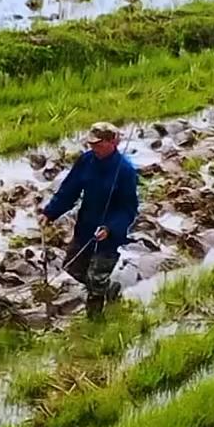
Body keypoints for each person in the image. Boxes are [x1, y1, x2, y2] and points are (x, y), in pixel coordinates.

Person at [38, 122, 139, 319]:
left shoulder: (125, 172)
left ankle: (94, 324)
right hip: (85, 228)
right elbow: (70, 189)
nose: (94, 148)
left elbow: (129, 209)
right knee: (71, 267)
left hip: (109, 236)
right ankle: (109, 287)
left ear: (112, 143)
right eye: (91, 144)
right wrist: (50, 213)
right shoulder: (86, 161)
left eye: (98, 144)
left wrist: (110, 228)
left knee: (94, 282)